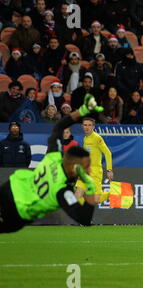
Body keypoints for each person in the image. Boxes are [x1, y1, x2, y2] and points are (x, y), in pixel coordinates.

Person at [0, 95, 103, 233]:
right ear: (75, 168)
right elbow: (84, 219)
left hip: (12, 186)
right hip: (19, 209)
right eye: (86, 167)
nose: (89, 171)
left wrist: (83, 110)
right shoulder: (61, 191)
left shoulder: (54, 156)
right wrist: (90, 190)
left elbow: (59, 126)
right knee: (11, 226)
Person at [75, 117, 113, 204]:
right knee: (77, 195)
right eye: (85, 125)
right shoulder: (85, 138)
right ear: (82, 126)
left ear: (93, 127)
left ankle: (113, 193)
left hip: (95, 171)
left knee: (96, 200)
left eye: (89, 125)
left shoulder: (97, 138)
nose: (87, 127)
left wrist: (109, 170)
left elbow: (108, 153)